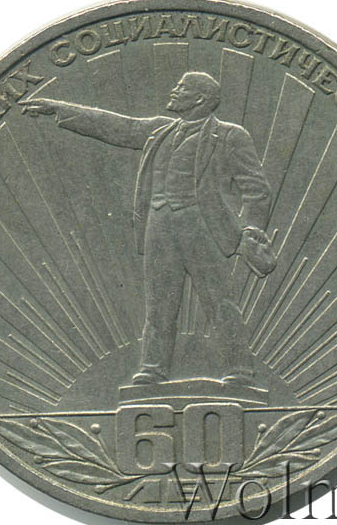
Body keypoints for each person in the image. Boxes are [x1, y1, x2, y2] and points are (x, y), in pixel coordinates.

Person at [22, 71, 274, 386]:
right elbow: (116, 126)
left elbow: (256, 188)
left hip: (204, 230)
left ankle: (239, 371)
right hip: (159, 226)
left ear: (199, 99)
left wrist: (250, 231)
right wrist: (58, 108)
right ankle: (153, 368)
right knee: (158, 303)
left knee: (219, 300)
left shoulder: (229, 136)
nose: (174, 90)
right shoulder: (160, 130)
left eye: (182, 88)